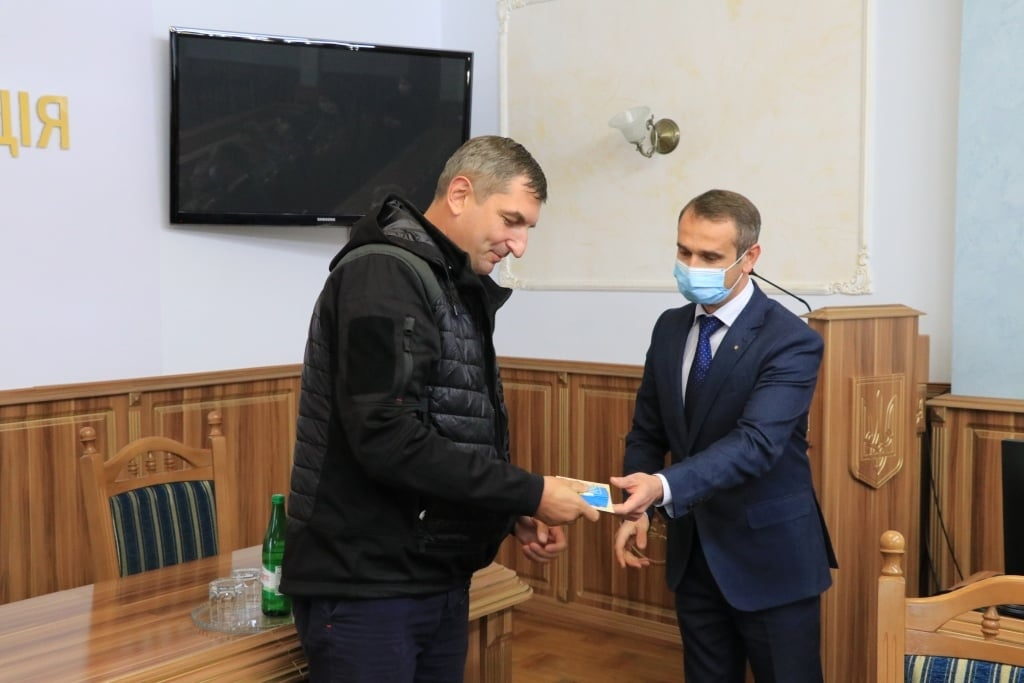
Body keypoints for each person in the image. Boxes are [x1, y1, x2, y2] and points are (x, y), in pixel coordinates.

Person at [281, 135, 600, 683]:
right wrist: (529, 491)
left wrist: (507, 511)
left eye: (528, 228)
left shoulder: (448, 280)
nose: (519, 245)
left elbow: (450, 429)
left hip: (431, 576)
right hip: (369, 585)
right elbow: (387, 438)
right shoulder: (383, 275)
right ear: (459, 194)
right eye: (511, 221)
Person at [610, 189, 837, 683]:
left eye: (710, 257)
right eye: (684, 251)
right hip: (695, 555)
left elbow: (755, 444)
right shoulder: (670, 328)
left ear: (749, 258)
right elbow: (647, 430)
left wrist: (661, 487)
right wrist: (637, 507)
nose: (692, 267)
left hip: (771, 559)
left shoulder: (791, 340)